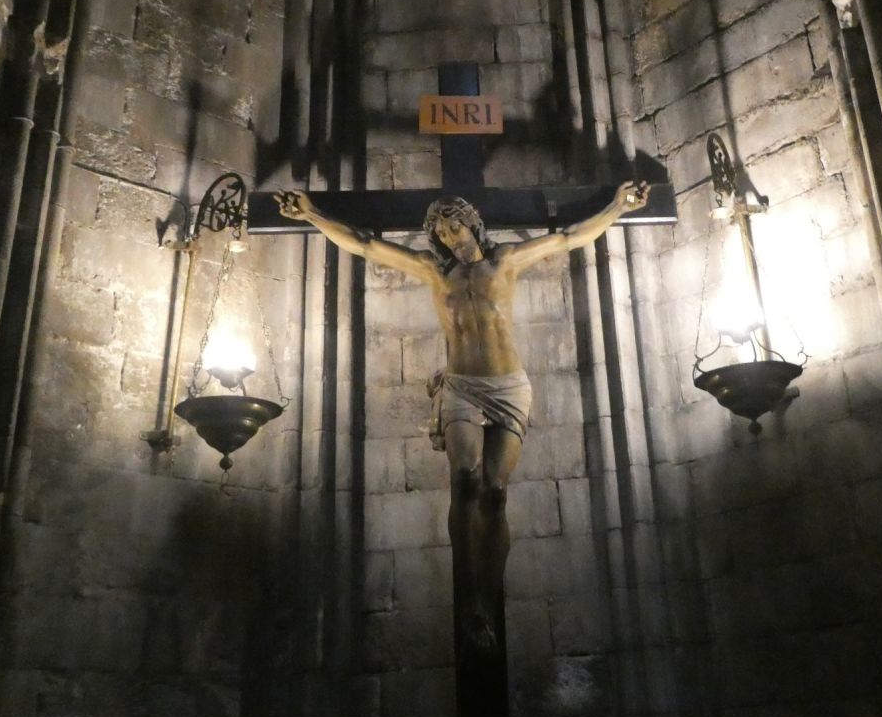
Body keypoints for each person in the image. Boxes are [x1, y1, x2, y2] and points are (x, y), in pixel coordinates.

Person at [275, 180, 649, 652]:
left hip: (509, 386)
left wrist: (617, 204)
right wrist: (311, 215)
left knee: (495, 491)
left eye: (456, 225)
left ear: (473, 222)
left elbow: (571, 237)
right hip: (461, 387)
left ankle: (488, 597)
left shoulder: (505, 262)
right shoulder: (435, 271)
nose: (452, 236)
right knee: (466, 479)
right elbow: (366, 245)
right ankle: (469, 595)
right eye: (443, 232)